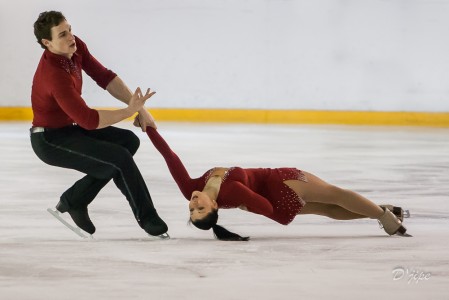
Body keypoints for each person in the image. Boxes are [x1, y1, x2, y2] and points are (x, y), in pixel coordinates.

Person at [143, 122, 409, 241]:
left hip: (275, 194)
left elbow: (170, 157)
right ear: (214, 205)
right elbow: (266, 209)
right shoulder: (232, 191)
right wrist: (249, 203)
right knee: (334, 195)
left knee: (329, 208)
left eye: (192, 209)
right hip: (278, 185)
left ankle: (377, 211)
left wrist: (149, 127)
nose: (193, 204)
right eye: (200, 209)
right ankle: (384, 217)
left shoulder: (189, 188)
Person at [30, 11, 168, 237]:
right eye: (63, 34)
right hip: (49, 141)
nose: (71, 37)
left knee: (127, 141)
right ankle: (148, 218)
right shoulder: (53, 75)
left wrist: (141, 110)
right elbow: (88, 120)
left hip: (68, 131)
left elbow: (104, 77)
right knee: (118, 158)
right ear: (47, 43)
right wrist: (128, 111)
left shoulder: (74, 48)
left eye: (70, 29)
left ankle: (75, 200)